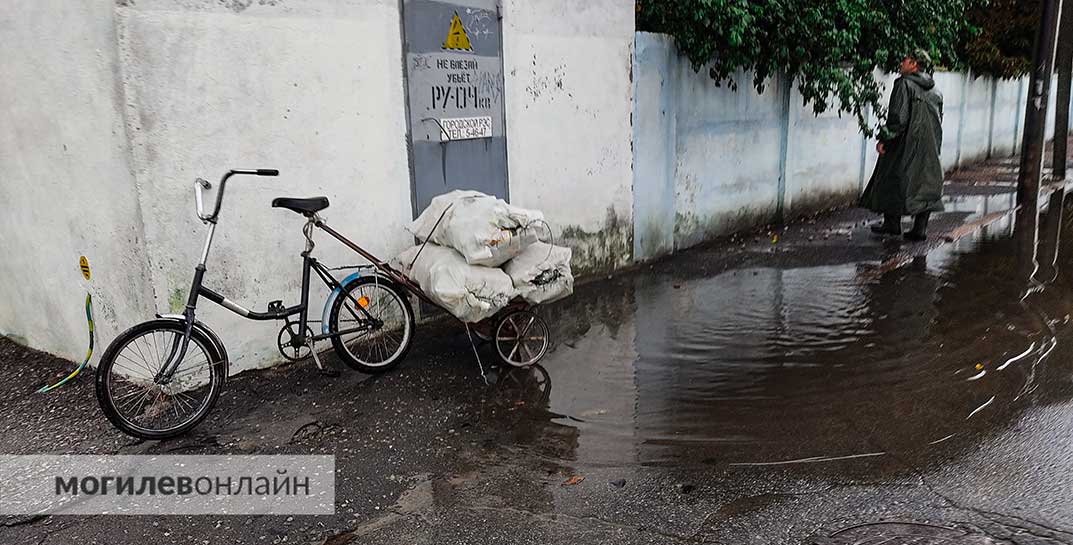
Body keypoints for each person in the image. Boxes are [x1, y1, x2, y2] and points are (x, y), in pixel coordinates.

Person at [860, 49, 945, 241]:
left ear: (914, 64)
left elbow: (898, 118)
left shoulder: (903, 84)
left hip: (905, 143)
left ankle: (892, 224)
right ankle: (920, 229)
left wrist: (885, 138)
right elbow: (939, 120)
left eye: (905, 60)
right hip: (929, 145)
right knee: (926, 184)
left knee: (891, 178)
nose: (901, 63)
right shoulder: (935, 91)